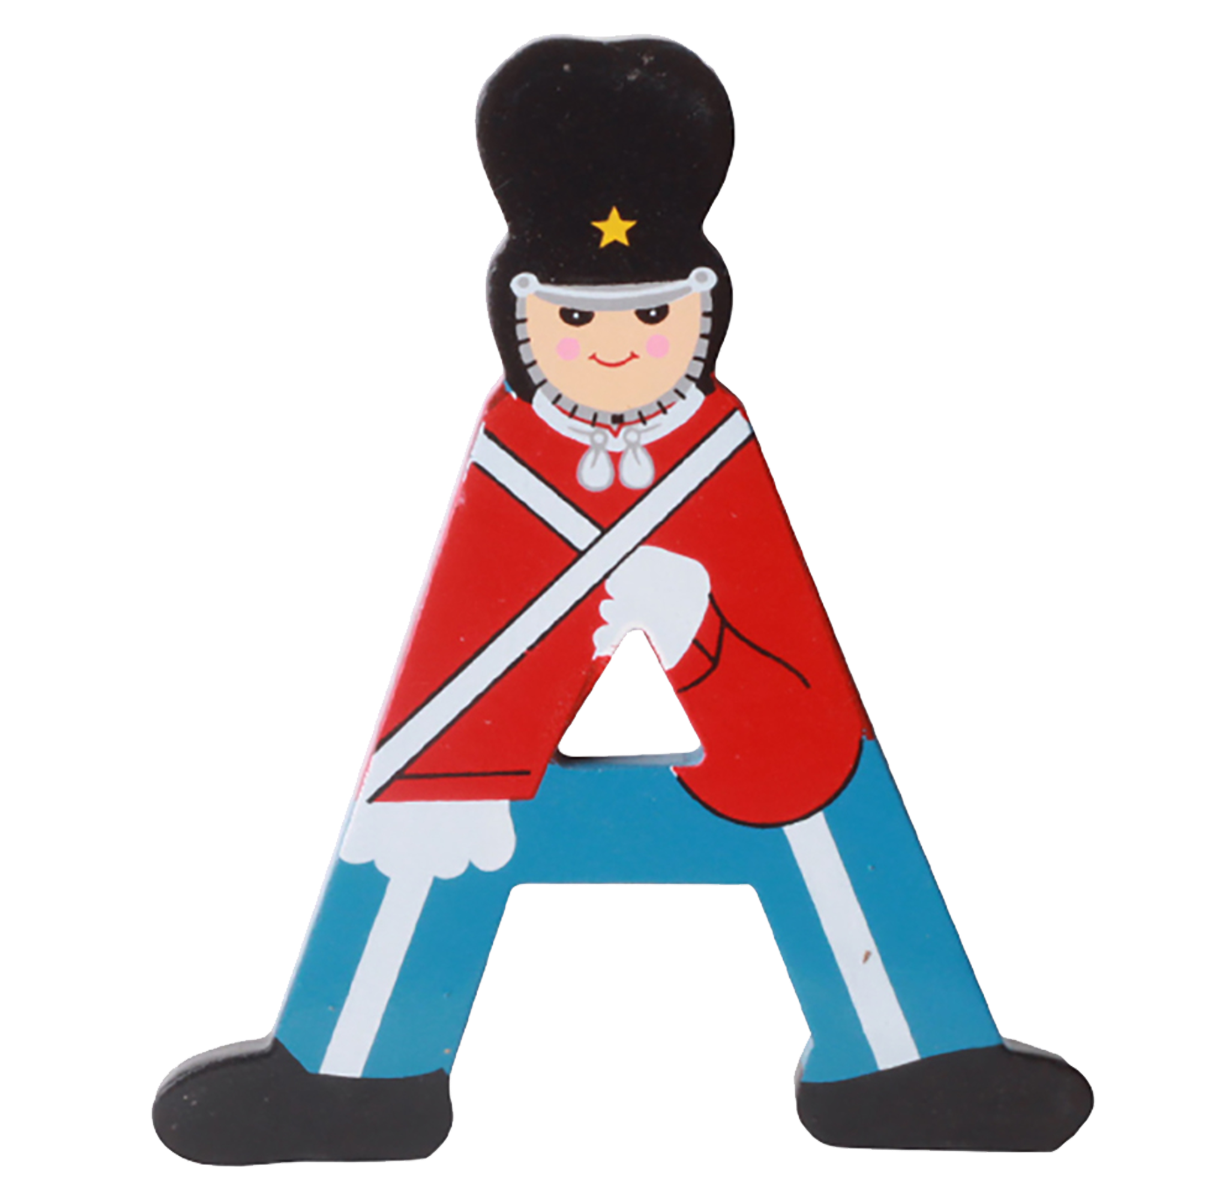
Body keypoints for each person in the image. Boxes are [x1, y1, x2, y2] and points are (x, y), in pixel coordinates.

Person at [151, 34, 1092, 1164]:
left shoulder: (715, 451)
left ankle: (914, 1056)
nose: (612, 349)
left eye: (651, 317)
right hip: (487, 786)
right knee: (422, 823)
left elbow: (796, 704)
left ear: (700, 315)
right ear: (522, 319)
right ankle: (352, 1072)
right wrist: (447, 769)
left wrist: (698, 632)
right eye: (576, 319)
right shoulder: (512, 455)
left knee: (830, 804)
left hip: (762, 777)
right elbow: (464, 656)